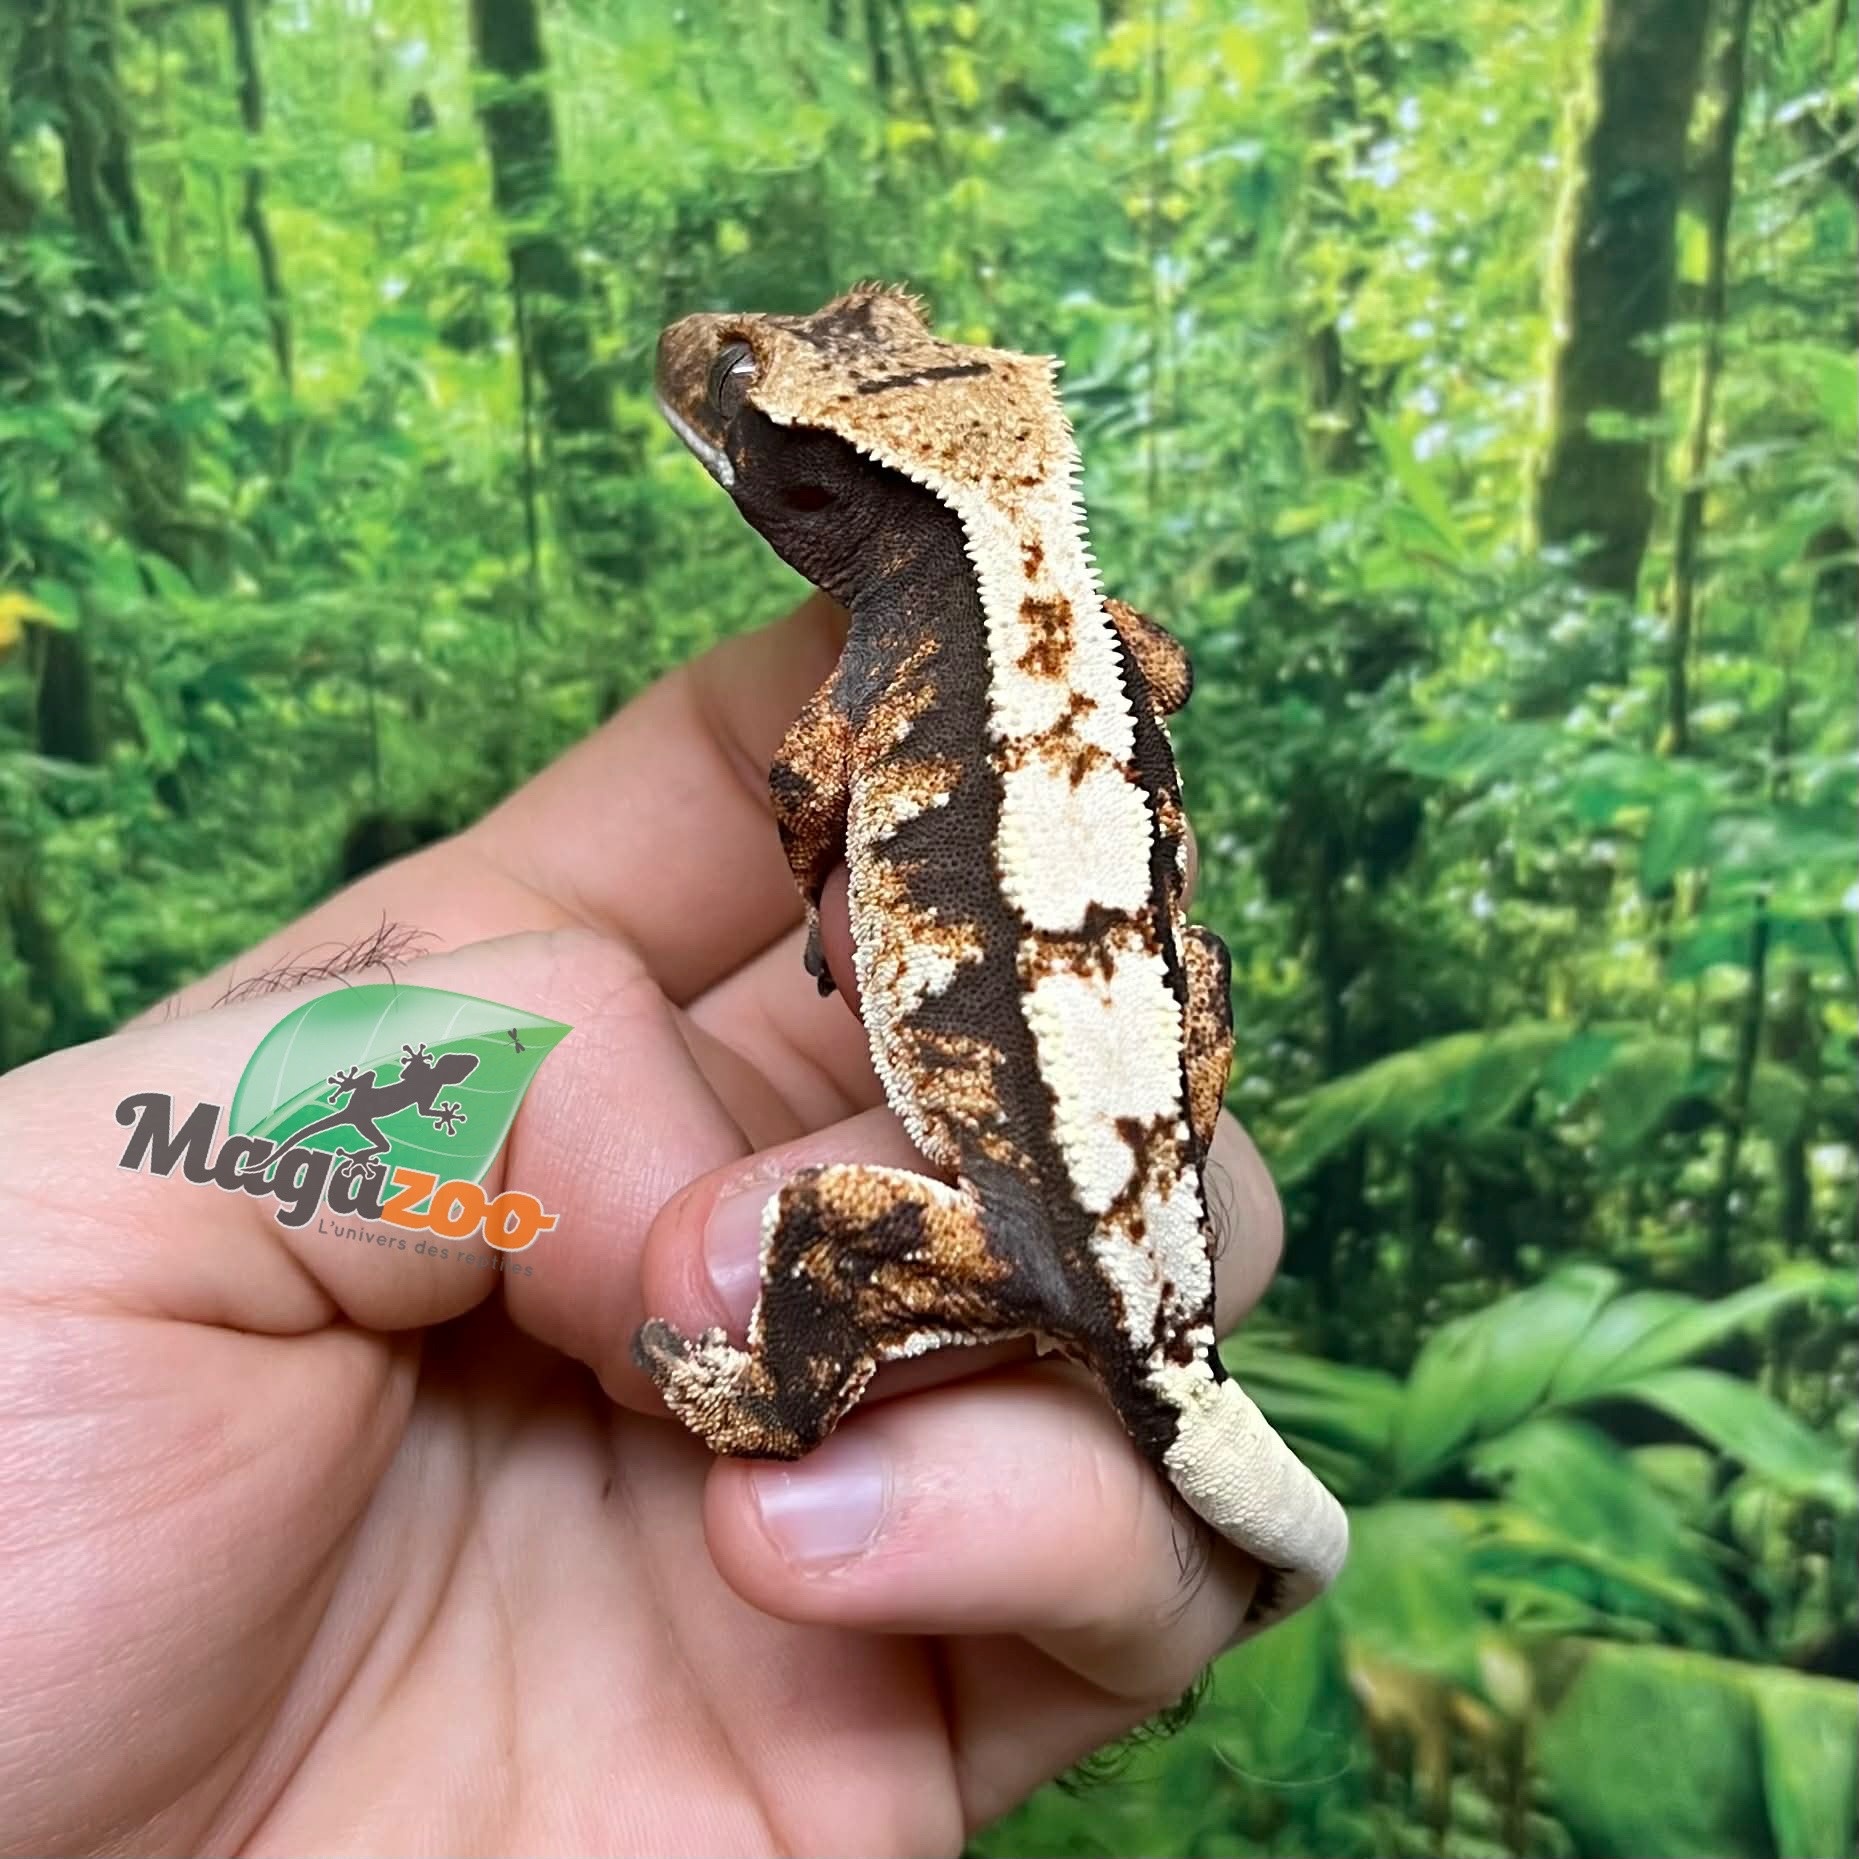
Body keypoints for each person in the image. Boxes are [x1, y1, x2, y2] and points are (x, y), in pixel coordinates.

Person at [0, 594, 1284, 1855]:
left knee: (824, 1224)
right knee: (816, 1229)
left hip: (1055, 1175)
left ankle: (779, 1400)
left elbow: (824, 776)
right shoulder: (996, 646)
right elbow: (1136, 678)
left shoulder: (927, 653)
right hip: (1039, 1158)